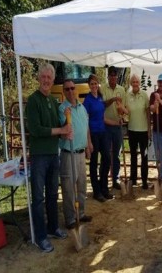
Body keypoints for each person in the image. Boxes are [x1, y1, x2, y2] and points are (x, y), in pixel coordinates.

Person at [25, 63, 71, 253]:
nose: (46, 80)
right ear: (39, 78)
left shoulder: (53, 101)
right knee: (38, 198)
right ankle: (41, 237)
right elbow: (35, 130)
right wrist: (60, 130)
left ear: (53, 81)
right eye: (43, 77)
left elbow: (56, 126)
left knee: (53, 194)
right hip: (39, 156)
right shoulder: (33, 101)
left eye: (49, 78)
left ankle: (53, 228)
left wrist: (66, 128)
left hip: (54, 154)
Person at [58, 79, 93, 230]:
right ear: (64, 92)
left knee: (82, 185)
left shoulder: (82, 108)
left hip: (80, 152)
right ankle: (71, 218)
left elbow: (86, 127)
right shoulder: (62, 109)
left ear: (76, 89)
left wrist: (88, 144)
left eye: (73, 88)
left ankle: (81, 213)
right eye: (67, 89)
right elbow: (63, 130)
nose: (71, 91)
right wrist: (67, 119)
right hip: (68, 153)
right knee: (68, 187)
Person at [83, 74, 114, 202]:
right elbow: (85, 120)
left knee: (107, 159)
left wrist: (115, 122)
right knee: (94, 162)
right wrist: (88, 140)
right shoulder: (87, 100)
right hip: (93, 133)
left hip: (103, 132)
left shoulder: (100, 98)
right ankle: (96, 191)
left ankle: (104, 187)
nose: (94, 86)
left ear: (98, 84)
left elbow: (102, 116)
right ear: (89, 86)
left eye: (96, 83)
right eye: (92, 84)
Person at [100, 66, 127, 190]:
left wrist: (122, 115)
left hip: (117, 126)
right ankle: (104, 180)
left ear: (117, 76)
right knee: (105, 154)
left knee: (116, 154)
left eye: (115, 75)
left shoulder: (122, 89)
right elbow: (103, 105)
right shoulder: (102, 89)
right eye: (111, 75)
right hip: (105, 126)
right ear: (108, 76)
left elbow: (124, 107)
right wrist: (113, 99)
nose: (113, 77)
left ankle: (115, 178)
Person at [126, 74, 150, 189]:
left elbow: (148, 113)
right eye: (133, 82)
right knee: (133, 156)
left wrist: (149, 129)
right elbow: (125, 112)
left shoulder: (144, 95)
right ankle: (133, 179)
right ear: (131, 83)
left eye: (137, 82)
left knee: (144, 156)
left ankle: (144, 180)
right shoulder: (127, 95)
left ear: (139, 83)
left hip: (143, 131)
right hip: (131, 130)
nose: (135, 83)